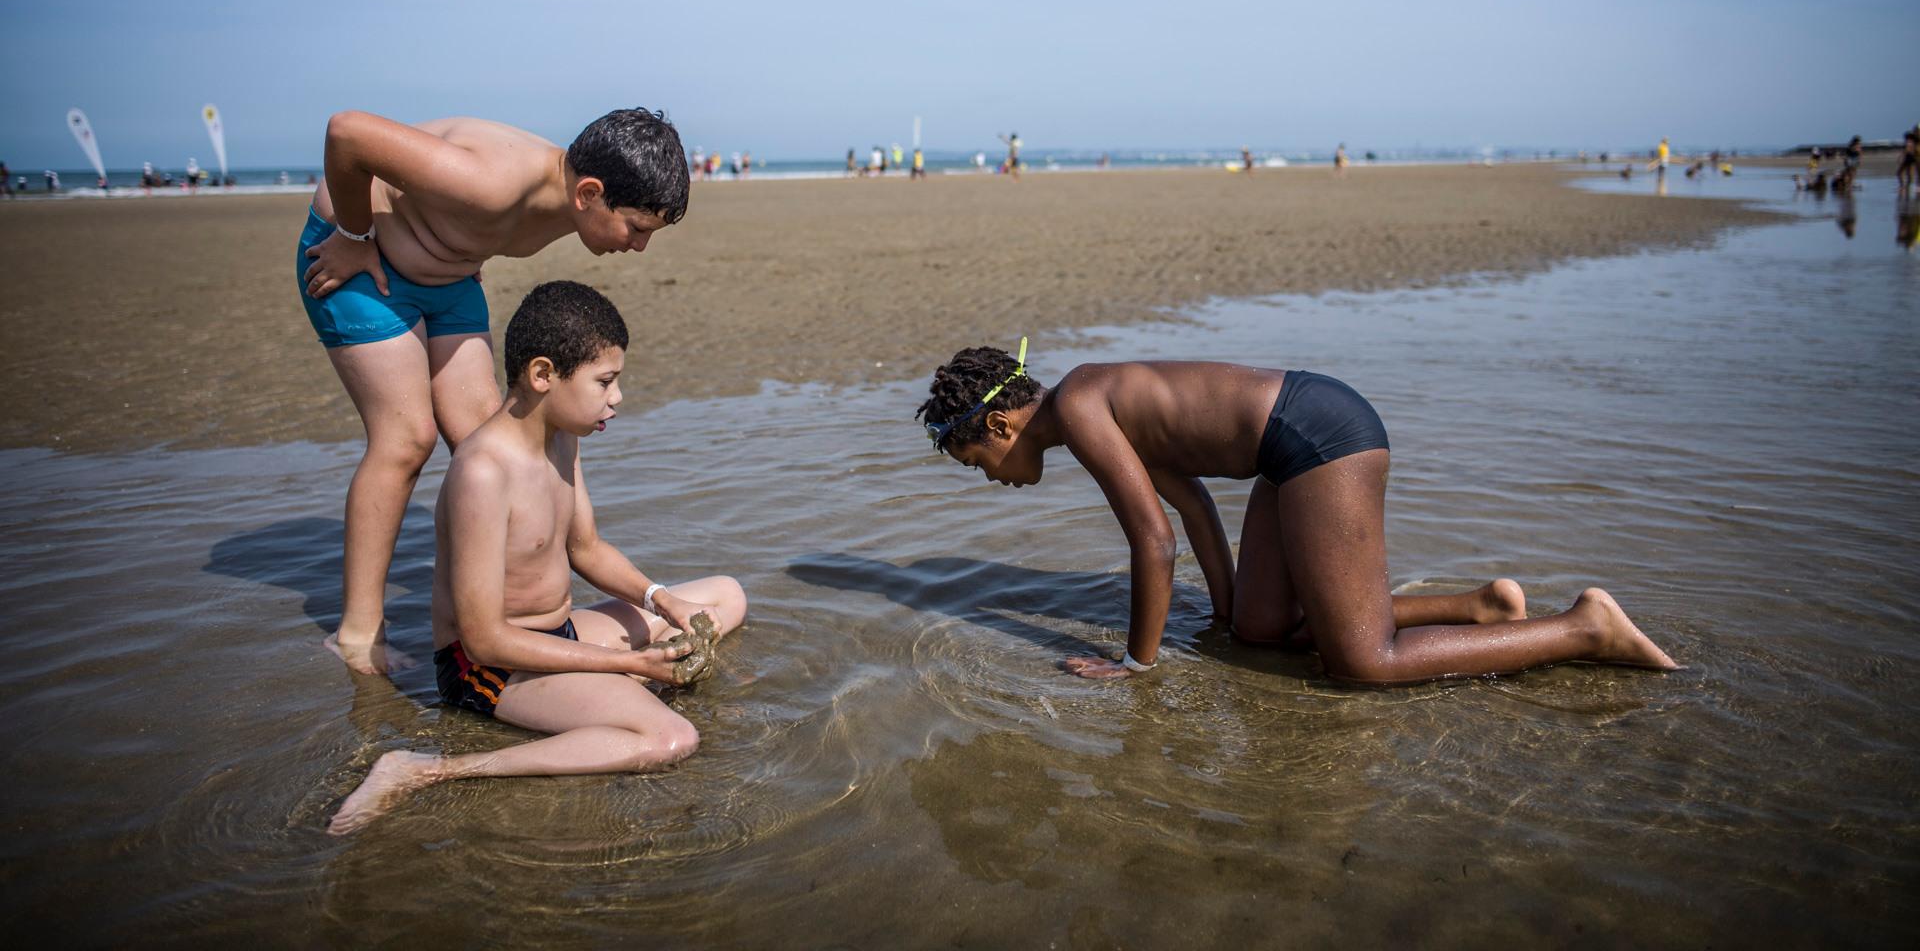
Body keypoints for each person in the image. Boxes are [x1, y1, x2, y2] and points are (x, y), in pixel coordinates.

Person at [914, 343, 1678, 684]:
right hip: (1285, 451)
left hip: (1320, 434)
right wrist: (1225, 611)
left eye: (978, 463)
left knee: (1363, 664)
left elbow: (1152, 543)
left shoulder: (1081, 409)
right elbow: (1192, 506)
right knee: (1258, 630)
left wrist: (1136, 667)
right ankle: (1483, 607)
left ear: (1002, 428)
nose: (992, 479)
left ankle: (1586, 628)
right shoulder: (1090, 401)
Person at [327, 281, 747, 834]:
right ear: (543, 374)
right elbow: (483, 640)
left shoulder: (562, 435)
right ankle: (430, 769)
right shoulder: (483, 473)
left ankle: (617, 689)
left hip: (561, 634)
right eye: (605, 381)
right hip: (491, 669)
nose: (617, 398)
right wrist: (629, 663)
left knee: (726, 594)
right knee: (672, 738)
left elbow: (586, 549)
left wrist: (661, 601)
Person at [299, 108, 688, 674]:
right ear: (589, 193)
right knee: (407, 440)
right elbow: (347, 134)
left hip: (449, 275)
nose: (638, 247)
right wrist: (356, 235)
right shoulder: (491, 180)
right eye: (636, 228)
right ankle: (358, 632)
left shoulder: (572, 197)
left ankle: (502, 618)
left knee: (498, 435)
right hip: (357, 262)